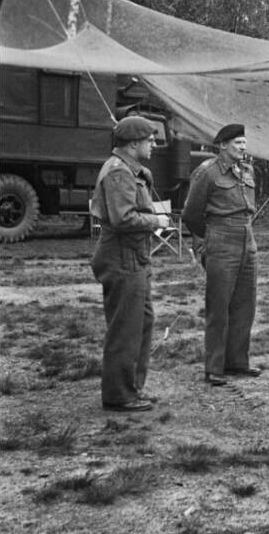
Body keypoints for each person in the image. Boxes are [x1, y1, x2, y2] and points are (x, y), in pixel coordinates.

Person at [91, 115, 171, 412]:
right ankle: (119, 395)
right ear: (134, 143)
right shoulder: (119, 172)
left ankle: (132, 389)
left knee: (142, 322)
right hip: (122, 255)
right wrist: (156, 221)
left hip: (133, 255)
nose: (153, 144)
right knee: (126, 327)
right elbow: (123, 218)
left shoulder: (130, 170)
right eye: (149, 140)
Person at [182, 124, 261, 386]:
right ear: (223, 145)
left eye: (244, 143)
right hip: (220, 239)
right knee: (219, 306)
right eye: (237, 143)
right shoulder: (207, 172)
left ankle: (237, 361)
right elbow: (191, 213)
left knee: (245, 304)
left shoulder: (247, 170)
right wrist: (209, 240)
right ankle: (214, 367)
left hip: (247, 239)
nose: (243, 147)